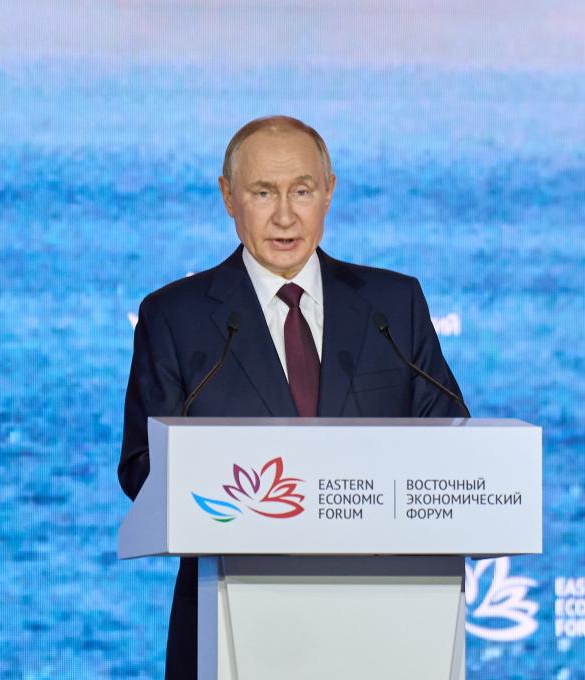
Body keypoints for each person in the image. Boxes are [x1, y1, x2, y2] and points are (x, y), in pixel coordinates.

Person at [119, 115, 466, 680]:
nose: (285, 216)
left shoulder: (392, 305)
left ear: (329, 192)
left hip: (384, 627)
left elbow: (453, 445)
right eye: (263, 193)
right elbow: (142, 468)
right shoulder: (175, 317)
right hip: (228, 626)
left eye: (301, 191)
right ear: (228, 198)